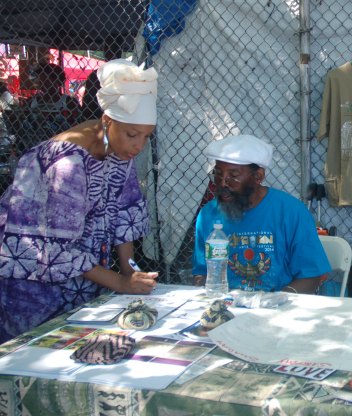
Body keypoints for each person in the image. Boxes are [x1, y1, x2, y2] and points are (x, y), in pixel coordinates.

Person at [0, 59, 160, 343]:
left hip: (80, 277)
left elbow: (125, 213)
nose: (139, 145)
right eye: (133, 135)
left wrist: (130, 272)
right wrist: (121, 283)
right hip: (31, 284)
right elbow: (56, 251)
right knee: (37, 353)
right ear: (108, 121)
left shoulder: (118, 147)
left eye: (146, 137)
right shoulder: (68, 164)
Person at [192, 134, 331, 294]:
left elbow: (312, 276)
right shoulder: (208, 215)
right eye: (218, 174)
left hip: (279, 307)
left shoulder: (291, 212)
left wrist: (276, 301)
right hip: (227, 305)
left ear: (258, 176)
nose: (223, 183)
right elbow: (201, 275)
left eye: (233, 176)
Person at [17, 62, 81, 153]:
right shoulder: (31, 102)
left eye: (47, 80)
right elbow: (20, 124)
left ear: (58, 81)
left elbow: (78, 126)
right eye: (40, 80)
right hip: (34, 149)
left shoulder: (69, 102)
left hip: (62, 149)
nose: (42, 83)